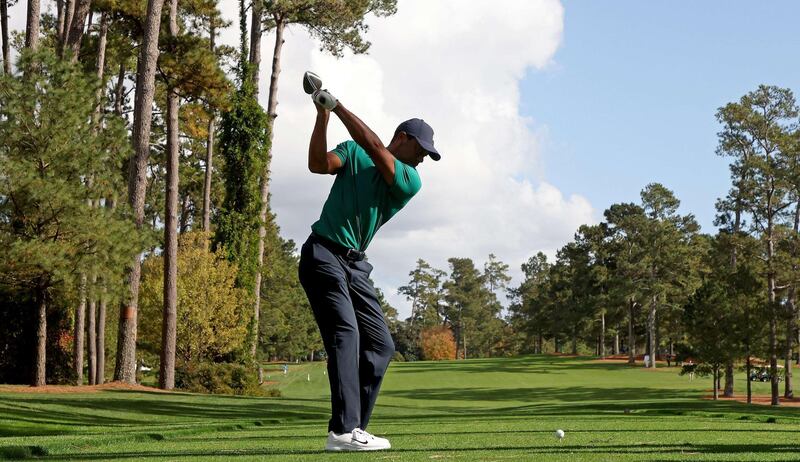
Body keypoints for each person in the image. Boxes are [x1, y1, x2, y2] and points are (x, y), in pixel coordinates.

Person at [298, 86, 440, 451]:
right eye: (420, 150)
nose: (423, 159)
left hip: (356, 266)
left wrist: (339, 105)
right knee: (346, 333)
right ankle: (343, 431)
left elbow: (376, 148)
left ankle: (352, 428)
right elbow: (317, 165)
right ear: (403, 138)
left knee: (381, 346)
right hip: (323, 254)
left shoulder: (409, 179)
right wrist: (322, 116)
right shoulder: (353, 153)